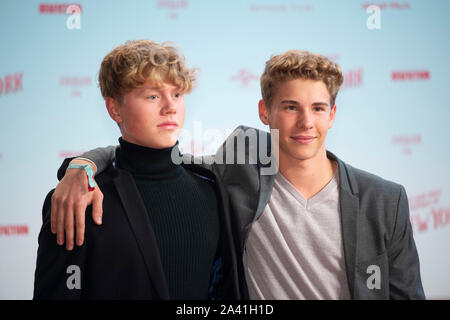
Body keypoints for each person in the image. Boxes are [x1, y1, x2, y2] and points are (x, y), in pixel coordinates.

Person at [48, 50, 425, 299]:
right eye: (291, 107)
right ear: (265, 112)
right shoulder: (234, 173)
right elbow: (149, 156)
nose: (306, 123)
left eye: (318, 108)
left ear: (333, 114)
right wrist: (82, 166)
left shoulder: (384, 200)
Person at [33, 40, 242, 300]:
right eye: (153, 96)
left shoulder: (211, 189)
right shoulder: (79, 200)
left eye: (176, 94)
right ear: (114, 109)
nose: (170, 107)